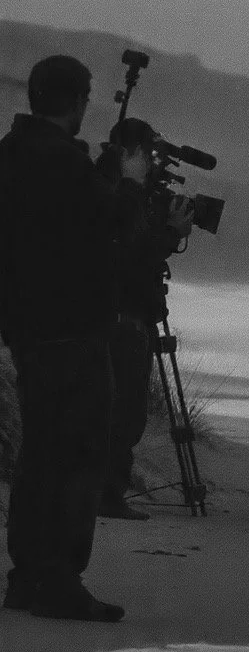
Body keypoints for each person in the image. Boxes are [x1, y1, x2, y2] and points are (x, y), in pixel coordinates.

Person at [0, 55, 148, 621]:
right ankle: (61, 580)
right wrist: (130, 185)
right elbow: (113, 225)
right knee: (81, 453)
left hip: (29, 329)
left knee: (39, 454)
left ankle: (26, 577)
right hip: (75, 329)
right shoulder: (62, 160)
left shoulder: (12, 154)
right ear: (77, 100)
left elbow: (58, 229)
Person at [95, 119, 193, 520]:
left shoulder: (107, 188)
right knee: (126, 413)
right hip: (122, 320)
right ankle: (108, 494)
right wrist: (171, 234)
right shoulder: (119, 196)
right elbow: (133, 258)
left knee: (117, 411)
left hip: (116, 316)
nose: (154, 165)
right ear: (130, 153)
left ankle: (103, 492)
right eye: (149, 155)